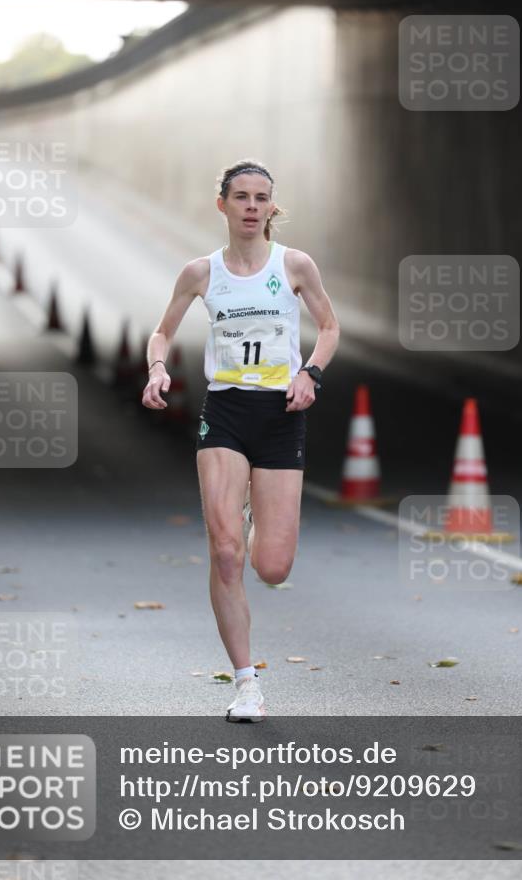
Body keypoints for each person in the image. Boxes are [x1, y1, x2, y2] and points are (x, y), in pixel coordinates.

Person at [142, 159, 340, 721]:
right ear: (222, 205)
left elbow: (329, 327)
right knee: (225, 551)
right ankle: (246, 682)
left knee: (272, 568)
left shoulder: (294, 265)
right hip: (225, 412)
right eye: (241, 197)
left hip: (280, 414)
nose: (251, 207)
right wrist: (157, 369)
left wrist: (310, 374)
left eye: (261, 198)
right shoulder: (200, 272)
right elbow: (162, 331)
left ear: (271, 207)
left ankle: (250, 515)